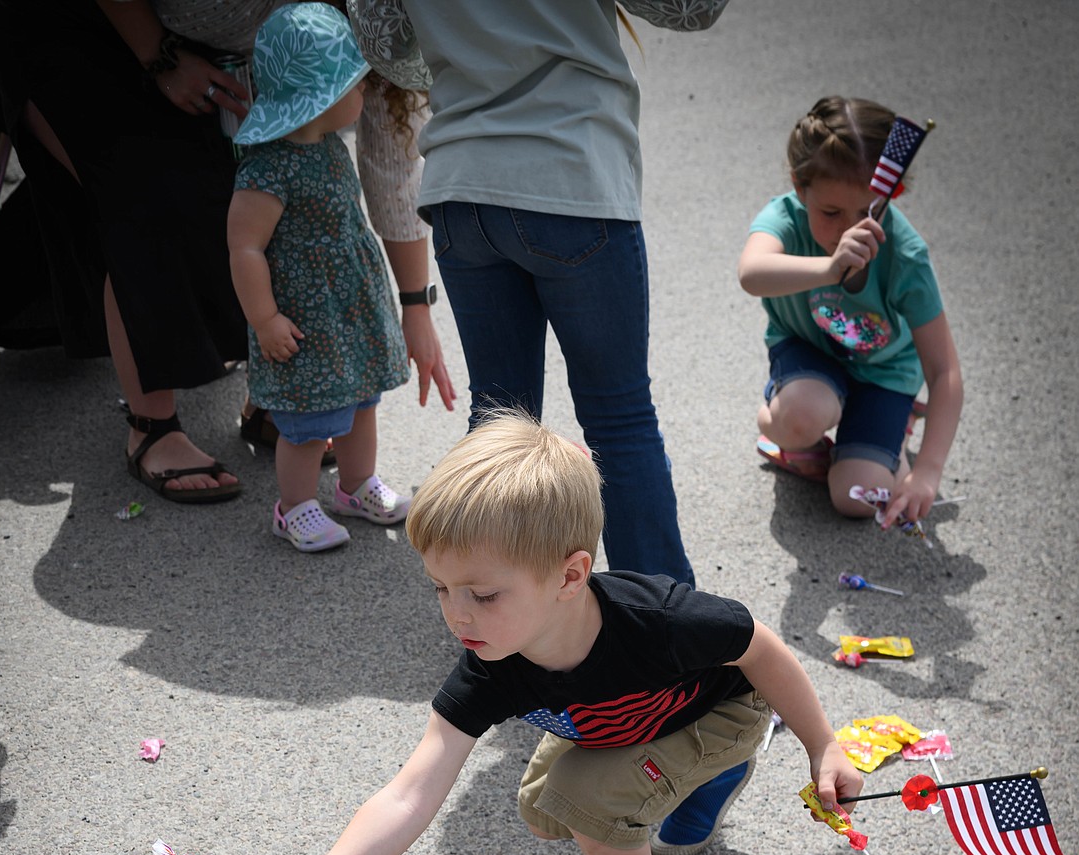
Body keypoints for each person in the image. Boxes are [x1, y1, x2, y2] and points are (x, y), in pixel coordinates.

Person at [230, 412, 863, 855]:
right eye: (441, 588)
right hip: (636, 722)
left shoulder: (660, 620)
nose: (456, 613)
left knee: (584, 799)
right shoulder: (493, 660)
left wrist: (822, 744)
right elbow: (409, 793)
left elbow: (760, 649)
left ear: (569, 575)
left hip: (723, 714)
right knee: (543, 806)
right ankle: (707, 782)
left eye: (481, 593)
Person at [345, 0, 733, 587]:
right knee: (618, 416)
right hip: (571, 173)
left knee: (499, 418)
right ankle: (661, 627)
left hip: (461, 186)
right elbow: (691, 9)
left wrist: (470, 53)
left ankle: (490, 607)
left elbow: (384, 41)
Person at [0, 0, 250, 502]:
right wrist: (162, 56)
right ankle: (152, 425)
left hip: (187, 25)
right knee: (144, 195)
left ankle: (277, 396)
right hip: (70, 24)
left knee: (255, 181)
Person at [228, 4, 412, 551]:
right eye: (355, 84)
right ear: (321, 96)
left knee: (360, 403)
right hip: (305, 319)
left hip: (348, 309)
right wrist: (264, 319)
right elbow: (245, 247)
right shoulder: (266, 168)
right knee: (309, 420)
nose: (364, 93)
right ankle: (295, 506)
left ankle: (354, 486)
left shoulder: (330, 146)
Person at [738, 95, 963, 529]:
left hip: (884, 372)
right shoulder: (784, 216)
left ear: (892, 195)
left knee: (857, 499)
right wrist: (829, 267)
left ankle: (889, 433)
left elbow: (944, 371)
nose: (851, 229)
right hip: (809, 355)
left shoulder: (905, 254)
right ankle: (797, 439)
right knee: (797, 418)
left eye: (869, 211)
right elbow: (752, 274)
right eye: (831, 212)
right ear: (800, 187)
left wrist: (928, 472)